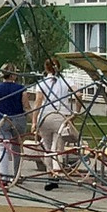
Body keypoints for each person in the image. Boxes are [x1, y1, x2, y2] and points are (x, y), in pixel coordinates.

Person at [32, 57, 75, 187]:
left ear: (46, 69)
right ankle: (56, 173)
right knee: (57, 147)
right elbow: (78, 95)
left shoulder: (42, 83)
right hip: (61, 116)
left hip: (45, 116)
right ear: (59, 67)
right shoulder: (66, 81)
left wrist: (34, 121)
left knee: (47, 147)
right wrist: (76, 112)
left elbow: (38, 103)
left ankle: (50, 173)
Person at [0, 63, 28, 184]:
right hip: (18, 118)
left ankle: (4, 177)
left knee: (3, 147)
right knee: (17, 148)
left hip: (2, 119)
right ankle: (17, 175)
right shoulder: (21, 88)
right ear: (13, 75)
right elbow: (25, 105)